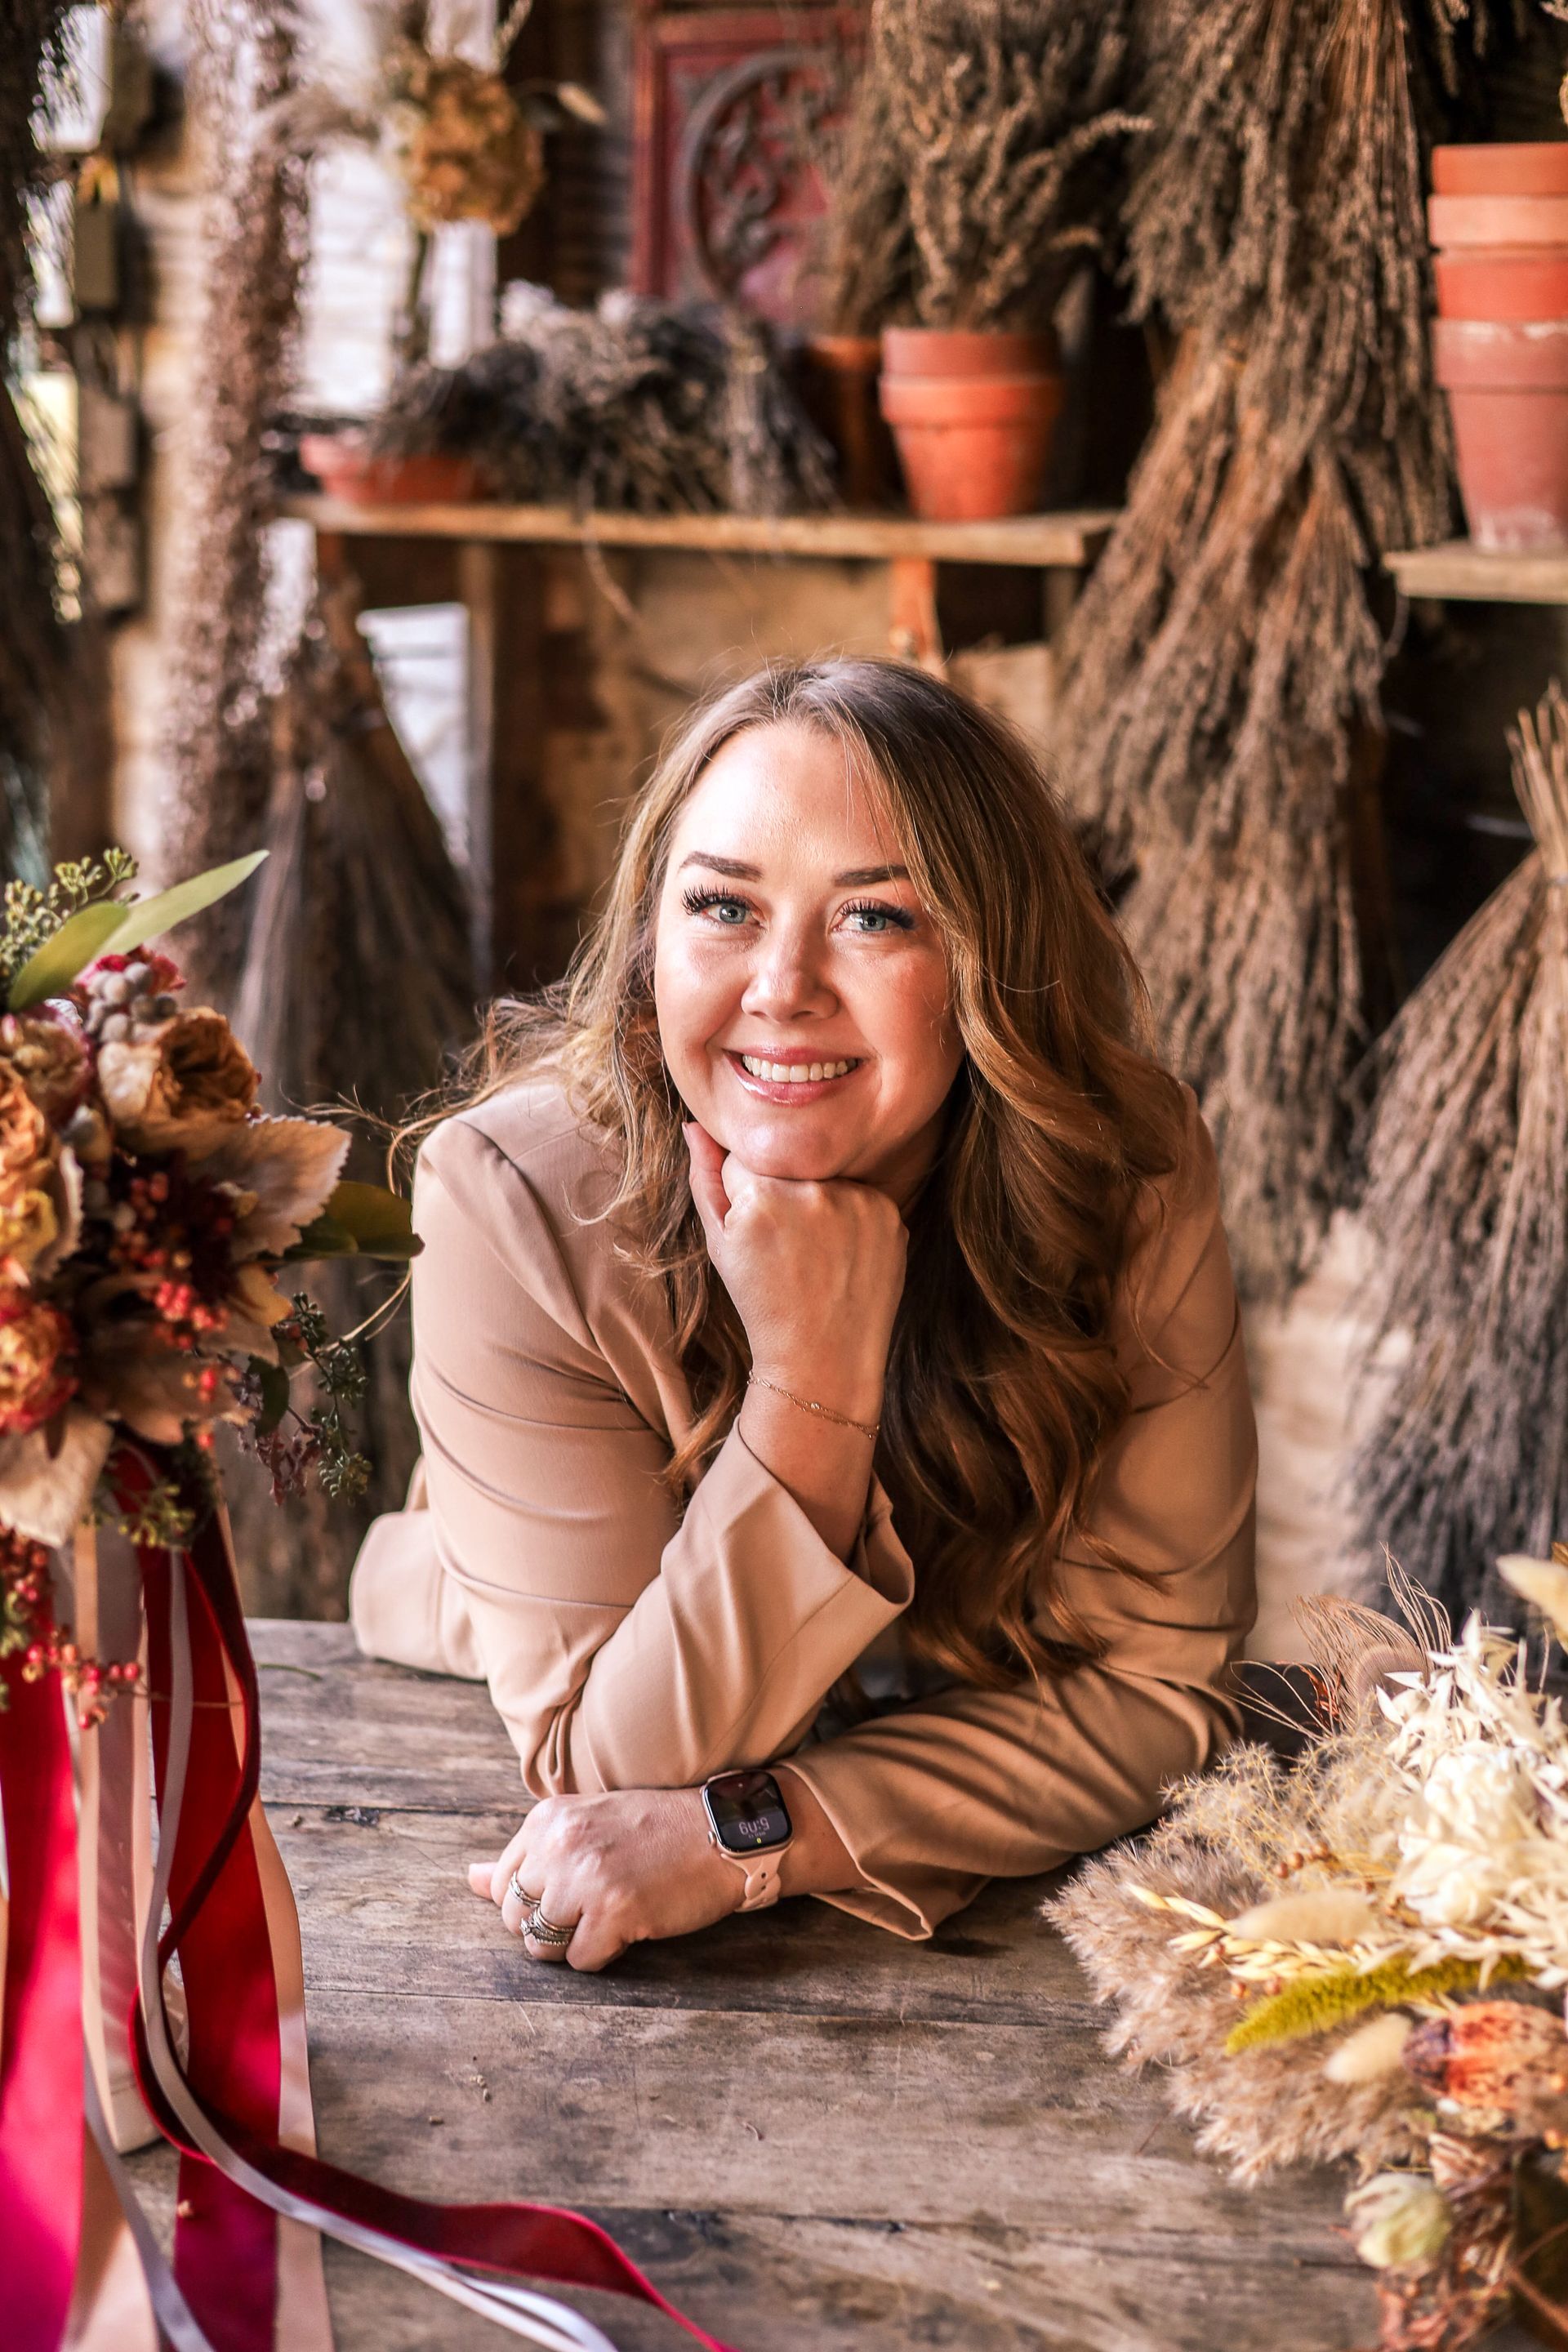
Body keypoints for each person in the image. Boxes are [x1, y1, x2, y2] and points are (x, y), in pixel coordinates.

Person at [350, 658, 1257, 1972]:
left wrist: (764, 1831)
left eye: (875, 920)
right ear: (652, 945)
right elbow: (615, 1764)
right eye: (722, 904)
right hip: (524, 1594)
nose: (782, 985)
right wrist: (813, 1375)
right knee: (427, 1595)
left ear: (987, 963)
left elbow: (1159, 1692)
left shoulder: (1125, 1168)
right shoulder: (510, 1198)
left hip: (924, 1658)